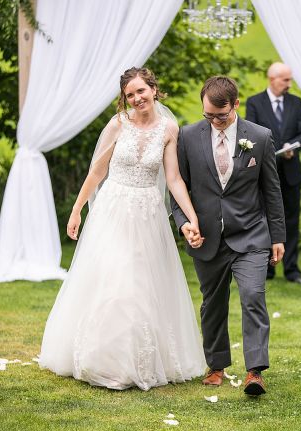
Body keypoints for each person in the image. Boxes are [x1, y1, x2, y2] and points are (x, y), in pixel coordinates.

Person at [38, 67, 206, 391]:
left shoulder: (170, 129)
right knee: (113, 278)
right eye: (130, 95)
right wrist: (77, 210)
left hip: (147, 213)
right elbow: (97, 172)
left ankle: (136, 361)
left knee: (141, 284)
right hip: (113, 210)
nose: (137, 98)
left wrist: (192, 217)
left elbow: (173, 179)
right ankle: (104, 360)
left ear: (154, 89)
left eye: (141, 91)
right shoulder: (119, 123)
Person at [172, 76, 285, 396]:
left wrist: (278, 235)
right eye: (208, 116)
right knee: (213, 303)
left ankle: (255, 371)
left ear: (236, 105)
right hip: (207, 238)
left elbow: (272, 191)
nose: (215, 123)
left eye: (220, 116)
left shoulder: (260, 137)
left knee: (253, 296)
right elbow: (178, 190)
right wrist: (184, 224)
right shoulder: (188, 136)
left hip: (251, 235)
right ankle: (217, 364)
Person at [245, 62, 301, 285]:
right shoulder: (255, 103)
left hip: (291, 173)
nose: (289, 84)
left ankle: (292, 270)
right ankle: (267, 269)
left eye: (290, 80)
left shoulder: (296, 103)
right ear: (272, 79)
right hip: (265, 173)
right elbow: (250, 134)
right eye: (285, 80)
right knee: (264, 219)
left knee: (291, 220)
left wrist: (295, 146)